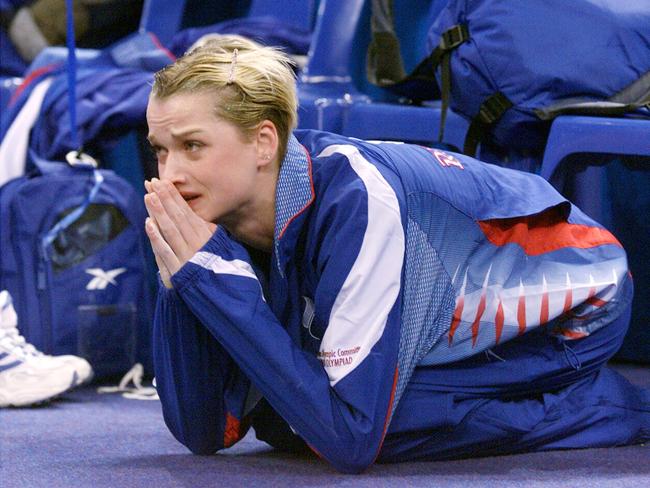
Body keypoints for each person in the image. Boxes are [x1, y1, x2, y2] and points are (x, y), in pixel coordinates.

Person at [142, 35, 649, 474]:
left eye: (192, 147)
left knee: (352, 423)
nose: (169, 176)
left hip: (578, 302)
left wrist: (211, 282)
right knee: (298, 409)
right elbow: (203, 430)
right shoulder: (221, 213)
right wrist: (183, 275)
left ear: (262, 142)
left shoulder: (360, 200)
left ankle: (605, 406)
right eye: (161, 150)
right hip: (445, 310)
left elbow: (350, 441)